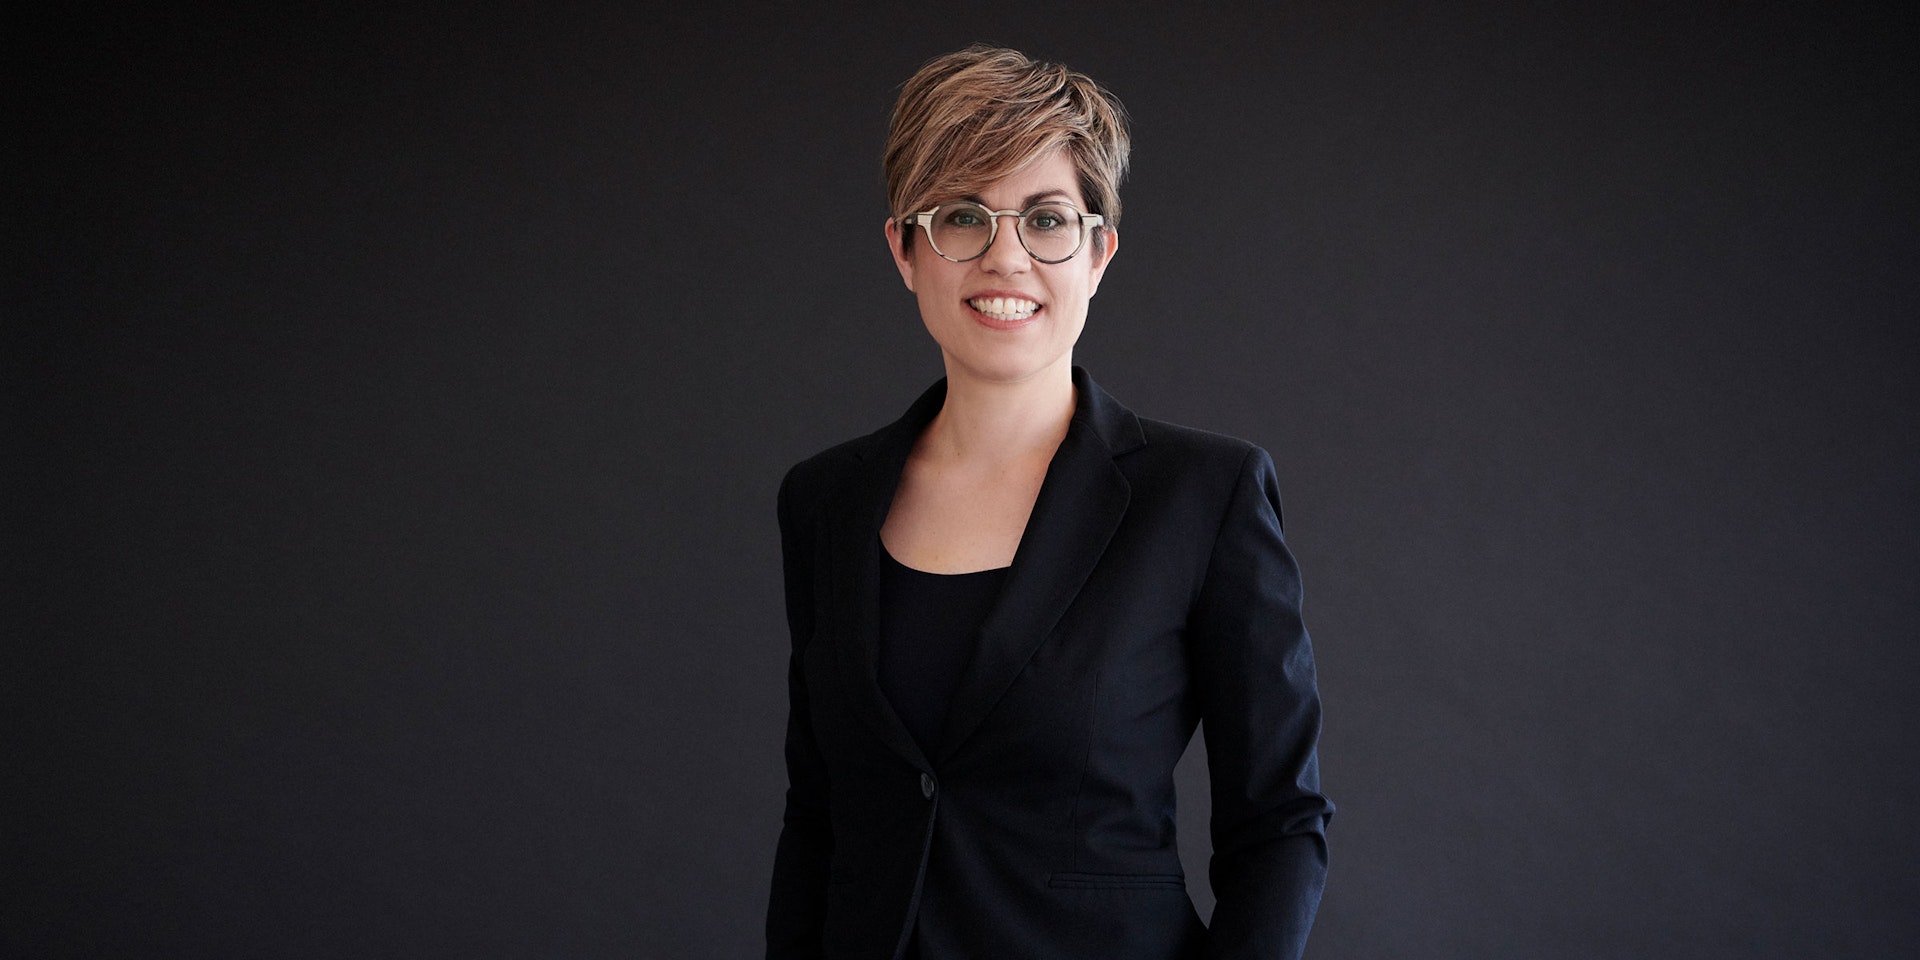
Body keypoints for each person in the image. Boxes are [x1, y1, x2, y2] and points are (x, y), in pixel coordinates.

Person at [766, 45, 1331, 960]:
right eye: (961, 216)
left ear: (1099, 253)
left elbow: (1281, 826)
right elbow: (819, 819)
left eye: (1047, 219)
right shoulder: (824, 502)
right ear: (904, 250)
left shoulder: (1202, 496)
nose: (1006, 257)